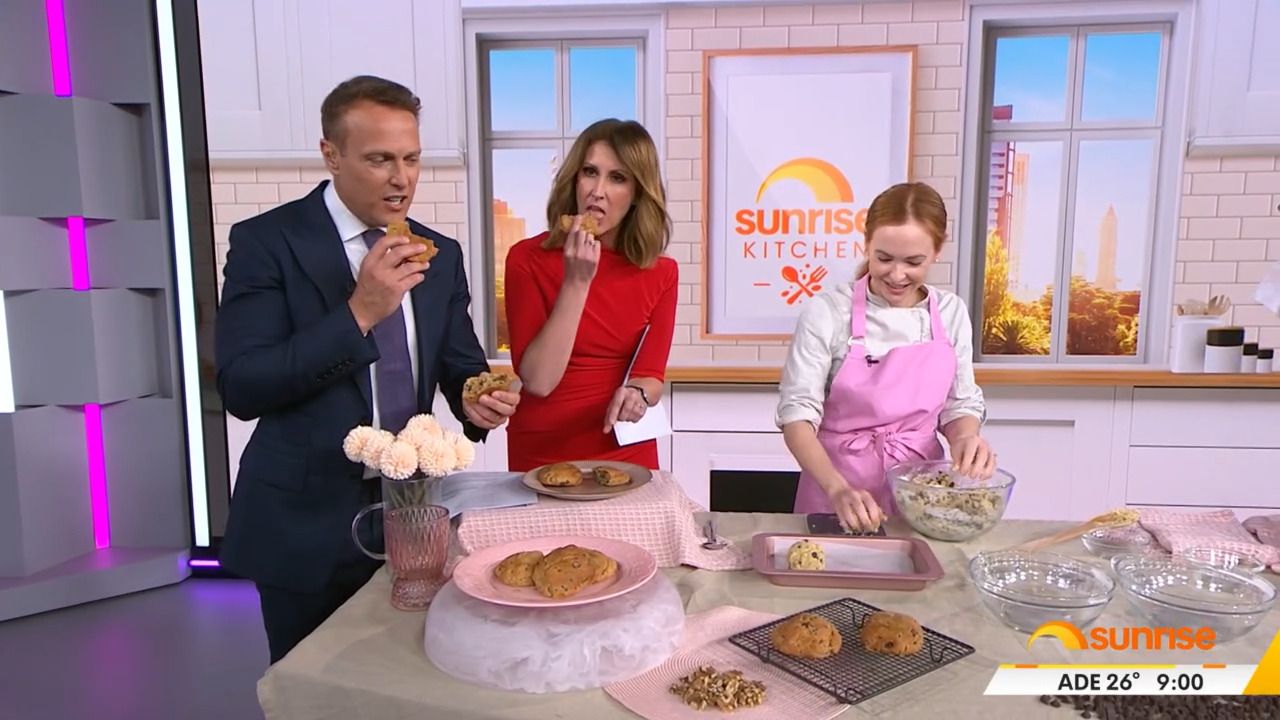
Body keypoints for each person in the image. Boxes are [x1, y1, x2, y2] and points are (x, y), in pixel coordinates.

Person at [215, 75, 519, 664]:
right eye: (380, 159)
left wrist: (478, 401)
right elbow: (243, 386)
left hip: (416, 519)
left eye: (411, 158)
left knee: (411, 680)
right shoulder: (267, 241)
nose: (401, 178)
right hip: (304, 527)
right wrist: (359, 313)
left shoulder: (439, 254)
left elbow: (460, 366)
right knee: (311, 689)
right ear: (331, 154)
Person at [776, 181, 995, 533]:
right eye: (884, 258)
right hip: (837, 491)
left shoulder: (950, 312)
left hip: (922, 495)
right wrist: (837, 489)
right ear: (866, 245)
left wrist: (965, 439)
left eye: (913, 262)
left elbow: (960, 404)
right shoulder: (828, 312)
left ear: (937, 251)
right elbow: (797, 417)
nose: (896, 274)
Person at [503, 118, 677, 471]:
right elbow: (538, 381)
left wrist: (638, 395)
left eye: (617, 178)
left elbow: (650, 376)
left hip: (625, 451)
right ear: (574, 180)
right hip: (542, 453)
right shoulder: (526, 259)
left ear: (637, 194)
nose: (598, 190)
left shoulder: (662, 272)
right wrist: (576, 282)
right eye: (590, 172)